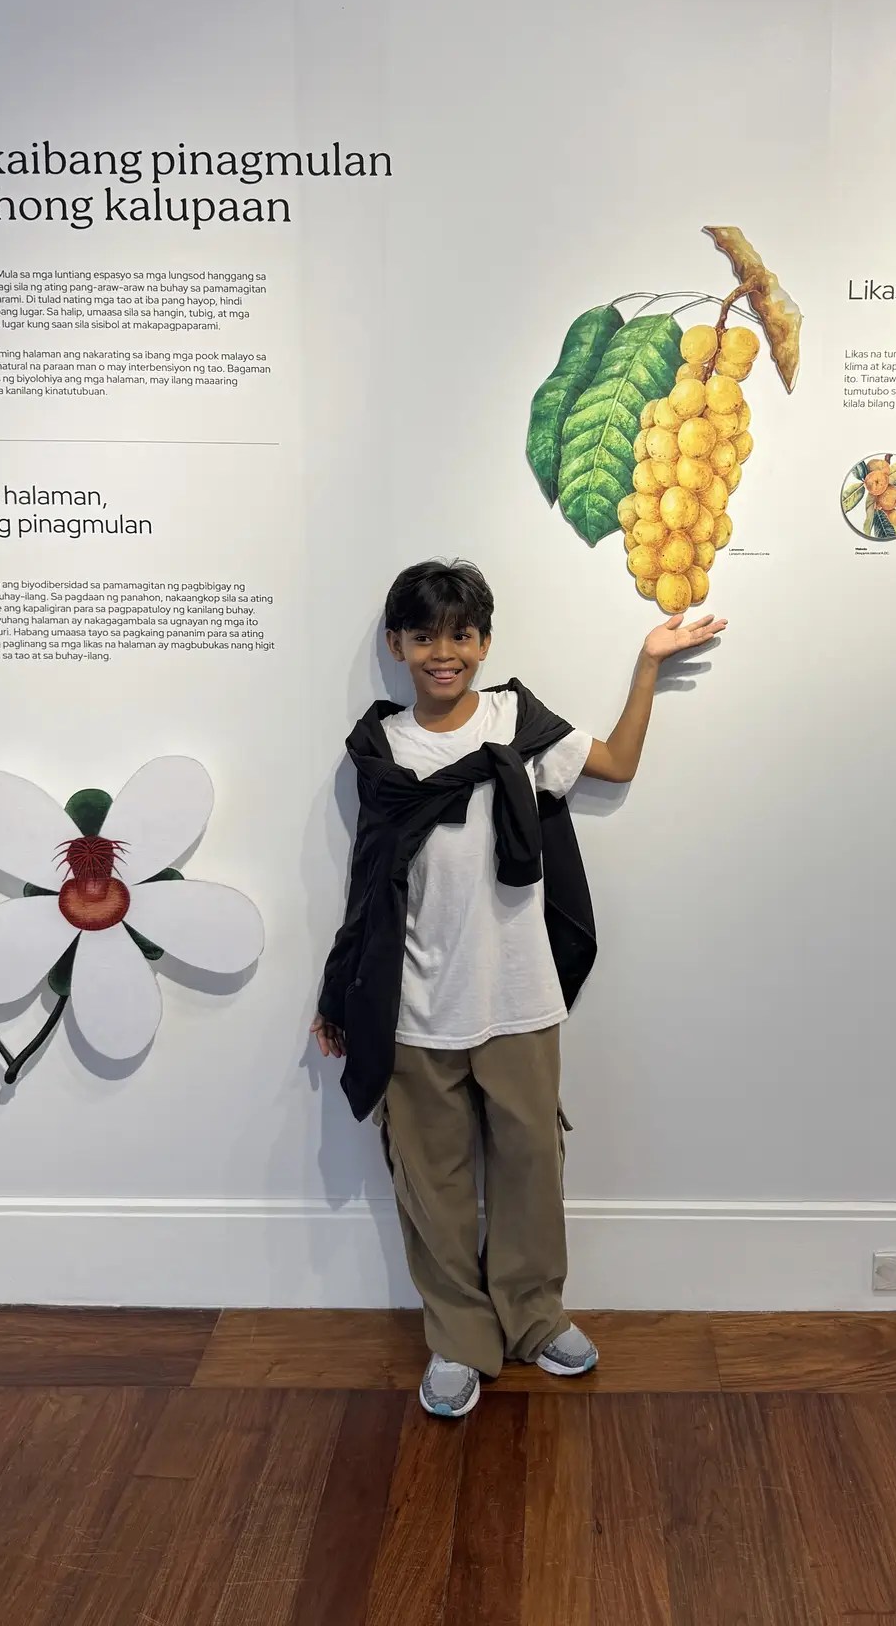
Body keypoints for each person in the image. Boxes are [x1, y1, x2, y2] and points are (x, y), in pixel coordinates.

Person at [311, 558, 725, 1417]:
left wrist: (647, 666)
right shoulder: (380, 752)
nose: (444, 653)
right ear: (396, 644)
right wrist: (339, 993)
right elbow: (368, 885)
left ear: (485, 642)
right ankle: (459, 1338)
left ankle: (535, 1318)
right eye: (424, 636)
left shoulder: (517, 724)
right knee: (433, 1184)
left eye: (461, 635)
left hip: (519, 999)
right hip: (416, 1008)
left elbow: (616, 764)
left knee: (532, 1168)